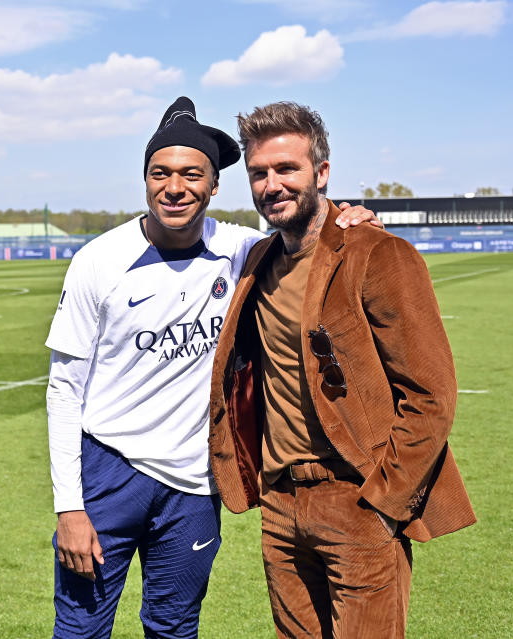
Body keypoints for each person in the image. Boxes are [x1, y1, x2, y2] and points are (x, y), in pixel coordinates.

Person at [44, 96, 379, 639]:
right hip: (109, 471)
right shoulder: (98, 261)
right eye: (161, 173)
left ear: (214, 185)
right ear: (146, 180)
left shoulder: (242, 249)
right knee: (80, 629)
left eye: (191, 174)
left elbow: (308, 231)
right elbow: (63, 390)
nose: (175, 187)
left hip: (195, 484)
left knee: (175, 627)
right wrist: (68, 509)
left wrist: (348, 215)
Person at [208, 101, 477, 638]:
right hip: (281, 506)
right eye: (259, 173)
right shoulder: (257, 260)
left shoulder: (378, 253)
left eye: (288, 169)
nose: (272, 184)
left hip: (356, 500)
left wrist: (383, 504)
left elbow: (431, 395)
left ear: (322, 173)